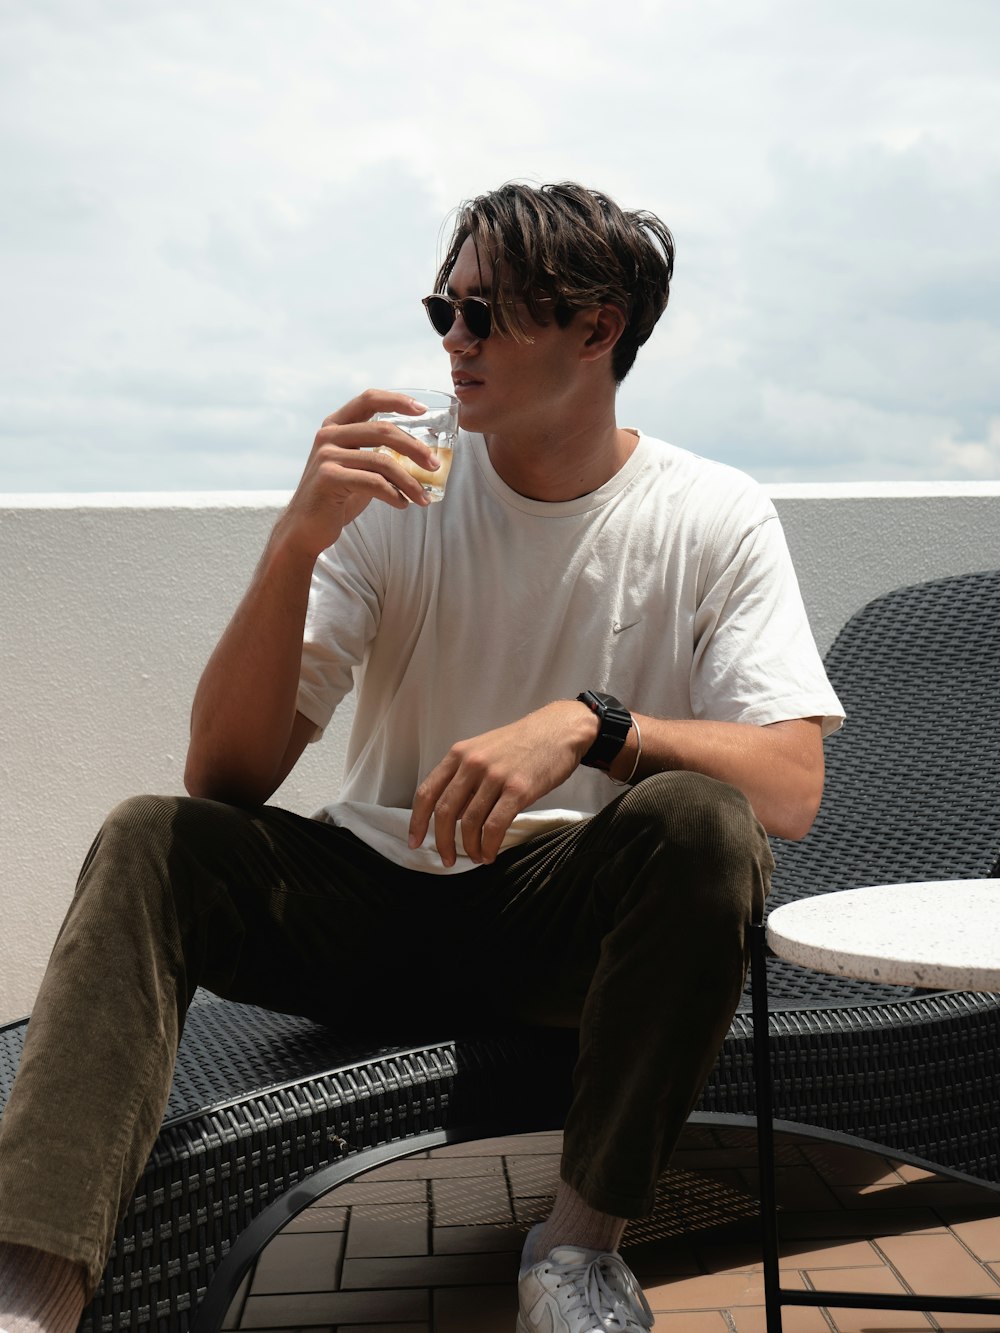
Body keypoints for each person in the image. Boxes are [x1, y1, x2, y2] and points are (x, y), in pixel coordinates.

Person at [0, 180, 843, 1333]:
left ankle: (577, 1254)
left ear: (598, 328)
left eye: (486, 313)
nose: (453, 341)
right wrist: (295, 542)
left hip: (556, 926)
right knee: (156, 835)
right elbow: (227, 778)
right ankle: (29, 1296)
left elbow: (790, 785)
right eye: (440, 309)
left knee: (703, 822)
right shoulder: (406, 487)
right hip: (373, 904)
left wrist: (593, 726)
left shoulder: (710, 513)